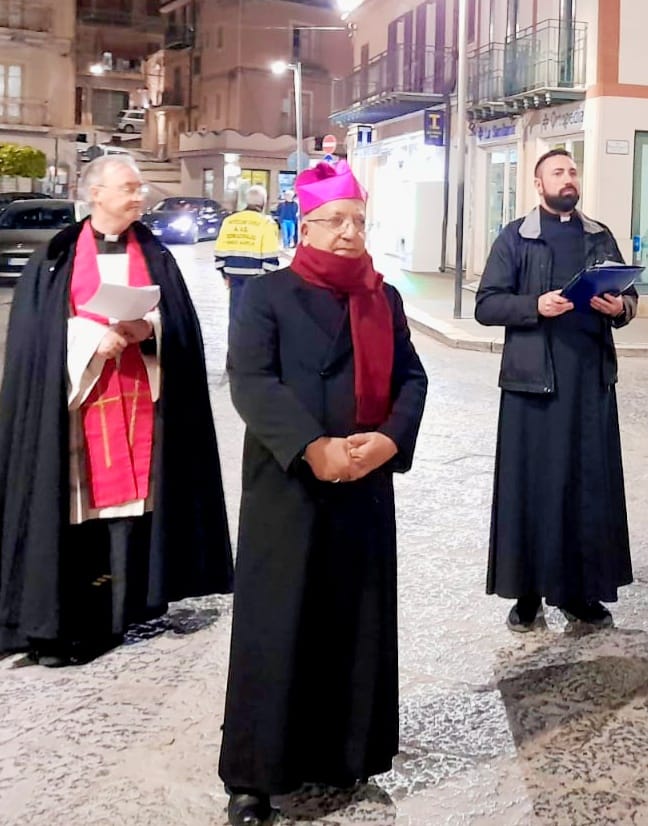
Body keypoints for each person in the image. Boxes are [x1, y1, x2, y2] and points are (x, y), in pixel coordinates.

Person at [218, 159, 427, 826]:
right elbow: (251, 380)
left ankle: (346, 753)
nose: (348, 233)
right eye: (334, 221)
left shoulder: (382, 298)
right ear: (304, 227)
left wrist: (390, 440)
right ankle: (255, 775)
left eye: (358, 222)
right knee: (276, 622)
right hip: (289, 487)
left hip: (363, 487)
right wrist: (314, 446)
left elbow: (412, 378)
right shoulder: (270, 294)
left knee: (353, 618)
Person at [0, 155, 232, 666]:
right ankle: (69, 615)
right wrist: (90, 337)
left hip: (139, 400)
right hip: (76, 410)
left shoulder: (155, 255)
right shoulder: (57, 258)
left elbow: (178, 325)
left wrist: (148, 329)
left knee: (135, 508)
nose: (139, 196)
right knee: (77, 509)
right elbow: (35, 340)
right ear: (95, 194)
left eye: (140, 187)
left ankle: (125, 608)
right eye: (128, 188)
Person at [475, 147, 636, 632]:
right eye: (557, 172)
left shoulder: (598, 236)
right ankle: (526, 593)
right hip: (533, 386)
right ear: (538, 184)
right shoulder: (516, 238)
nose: (568, 178)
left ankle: (579, 592)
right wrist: (533, 306)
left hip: (590, 384)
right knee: (531, 488)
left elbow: (627, 297)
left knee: (586, 488)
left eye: (572, 171)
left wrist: (620, 308)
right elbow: (487, 304)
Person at [213, 184, 281, 324]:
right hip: (257, 279)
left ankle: (234, 343)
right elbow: (270, 258)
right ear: (263, 202)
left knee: (236, 316)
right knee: (255, 319)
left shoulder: (229, 221)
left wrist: (224, 274)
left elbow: (219, 252)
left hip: (233, 276)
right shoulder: (266, 223)